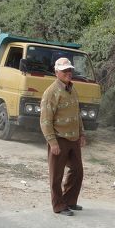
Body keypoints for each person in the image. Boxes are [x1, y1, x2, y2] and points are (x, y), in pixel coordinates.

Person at [40, 57, 85, 217]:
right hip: (59, 139)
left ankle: (69, 200)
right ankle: (58, 205)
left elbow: (77, 114)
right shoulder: (51, 92)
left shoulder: (72, 89)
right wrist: (52, 142)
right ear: (56, 72)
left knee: (78, 170)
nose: (68, 73)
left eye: (70, 70)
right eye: (65, 70)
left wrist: (81, 133)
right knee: (56, 175)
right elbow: (45, 120)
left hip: (73, 138)